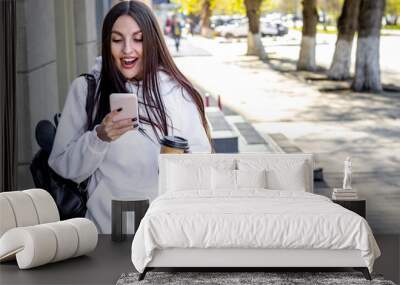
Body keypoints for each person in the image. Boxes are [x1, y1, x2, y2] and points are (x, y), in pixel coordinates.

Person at [48, 1, 211, 234]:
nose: (127, 50)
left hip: (165, 231)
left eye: (138, 39)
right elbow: (63, 166)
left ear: (152, 41)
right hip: (104, 233)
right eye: (117, 40)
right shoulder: (86, 90)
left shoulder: (177, 92)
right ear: (107, 43)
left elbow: (204, 164)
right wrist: (99, 138)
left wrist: (180, 161)